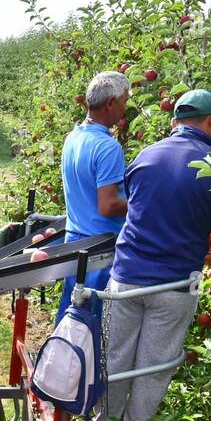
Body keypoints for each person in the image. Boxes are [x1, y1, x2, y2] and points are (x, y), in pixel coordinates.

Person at [101, 89, 211, 421]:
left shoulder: (146, 156)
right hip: (175, 285)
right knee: (154, 366)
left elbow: (142, 208)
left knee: (116, 355)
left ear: (175, 120)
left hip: (126, 276)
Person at [57, 70, 130, 324]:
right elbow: (108, 206)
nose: (125, 109)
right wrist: (141, 205)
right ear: (111, 103)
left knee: (70, 322)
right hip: (99, 252)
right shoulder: (108, 148)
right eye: (124, 102)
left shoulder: (72, 138)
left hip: (73, 244)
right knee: (92, 330)